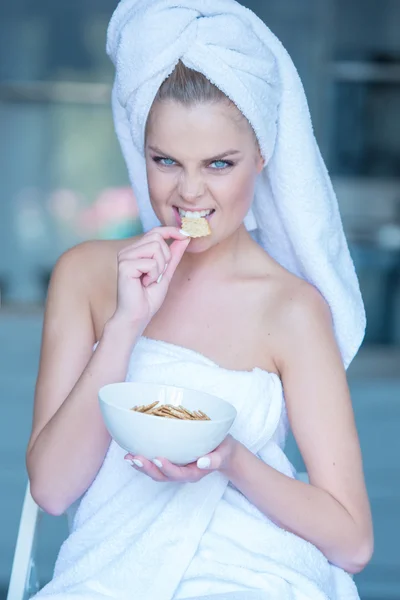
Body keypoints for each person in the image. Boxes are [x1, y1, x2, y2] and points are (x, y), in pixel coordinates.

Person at [26, 1, 373, 599]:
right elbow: (53, 490)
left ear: (261, 158)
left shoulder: (291, 309)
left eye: (219, 164)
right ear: (142, 152)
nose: (190, 193)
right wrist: (126, 325)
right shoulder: (85, 276)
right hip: (109, 579)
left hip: (255, 579)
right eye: (166, 161)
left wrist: (231, 460)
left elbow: (352, 543)